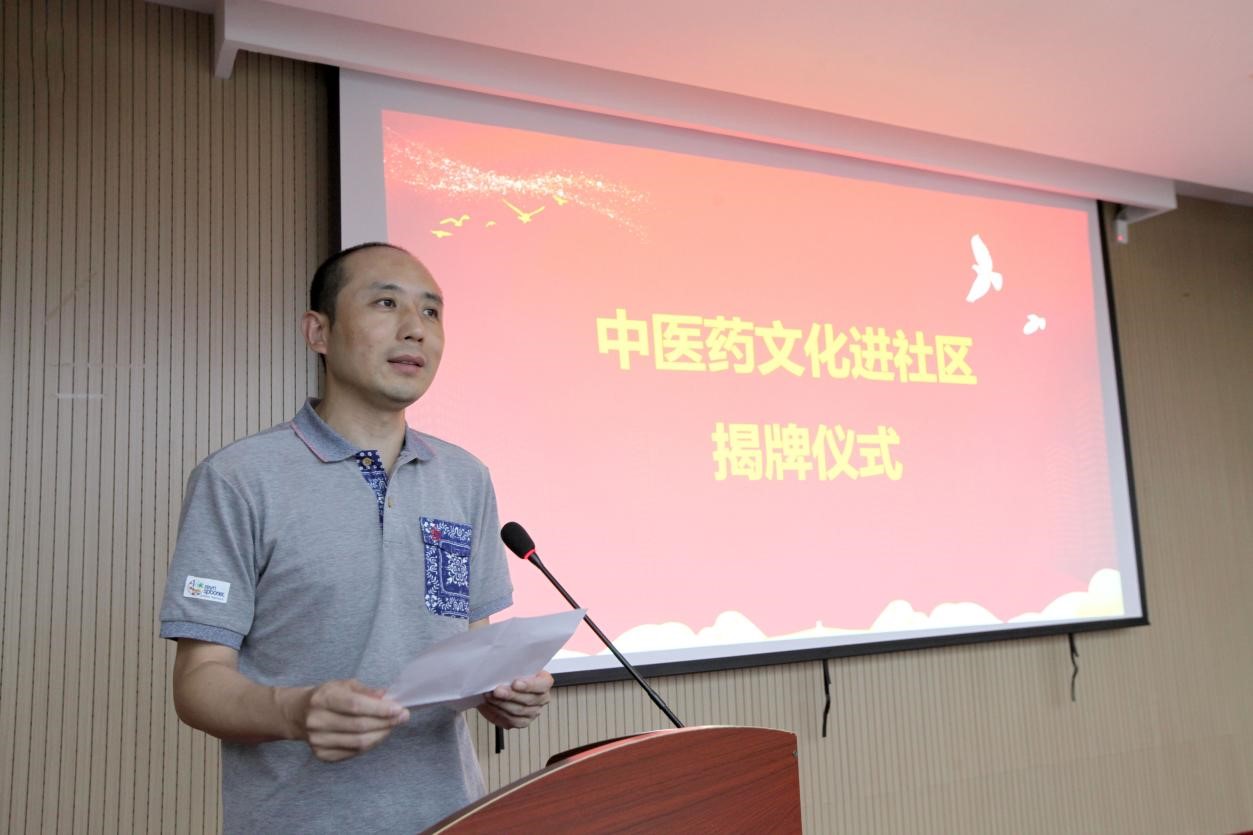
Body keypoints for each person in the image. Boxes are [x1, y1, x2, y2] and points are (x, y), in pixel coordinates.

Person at [158, 242, 553, 833]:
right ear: (318, 332)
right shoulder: (239, 478)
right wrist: (294, 711)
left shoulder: (465, 477)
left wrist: (500, 691)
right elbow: (197, 683)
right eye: (386, 303)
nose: (415, 329)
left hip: (451, 817)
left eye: (431, 311)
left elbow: (472, 649)